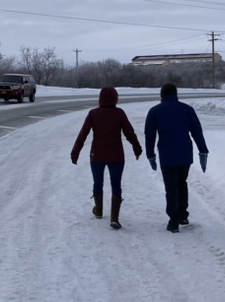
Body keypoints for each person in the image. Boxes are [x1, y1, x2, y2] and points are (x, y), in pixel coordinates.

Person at [70, 86, 143, 230]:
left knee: (98, 183)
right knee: (116, 185)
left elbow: (83, 134)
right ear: (115, 98)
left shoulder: (93, 113)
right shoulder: (119, 113)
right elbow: (130, 133)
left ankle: (98, 210)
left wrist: (75, 152)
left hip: (97, 155)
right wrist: (137, 148)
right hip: (116, 156)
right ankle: (114, 218)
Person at [144, 82, 209, 233]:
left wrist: (150, 155)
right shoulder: (187, 110)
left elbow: (150, 136)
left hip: (167, 155)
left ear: (162, 95)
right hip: (185, 153)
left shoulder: (155, 111)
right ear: (176, 94)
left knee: (171, 187)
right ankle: (183, 215)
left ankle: (173, 221)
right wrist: (203, 151)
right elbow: (197, 132)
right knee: (182, 182)